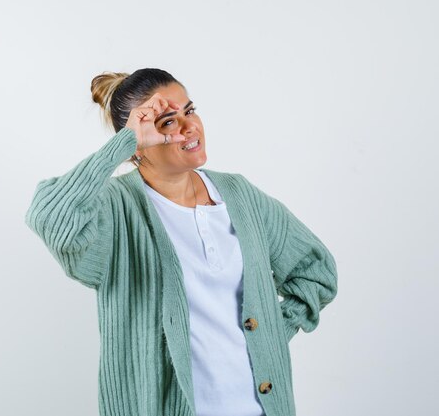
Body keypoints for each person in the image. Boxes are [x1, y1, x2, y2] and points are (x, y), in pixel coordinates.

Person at [24, 68, 338, 416]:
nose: (189, 127)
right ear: (138, 144)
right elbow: (51, 218)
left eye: (189, 111)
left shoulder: (238, 194)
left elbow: (315, 271)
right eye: (167, 123)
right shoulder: (116, 210)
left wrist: (269, 336)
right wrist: (123, 142)